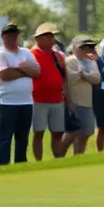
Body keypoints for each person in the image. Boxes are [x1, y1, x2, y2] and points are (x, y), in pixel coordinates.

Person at [0, 21, 37, 166]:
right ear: (3, 37)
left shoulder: (26, 52)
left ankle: (20, 165)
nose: (12, 38)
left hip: (26, 101)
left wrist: (16, 69)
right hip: (7, 102)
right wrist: (25, 71)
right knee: (6, 138)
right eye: (9, 35)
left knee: (23, 138)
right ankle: (3, 166)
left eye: (15, 35)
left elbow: (37, 72)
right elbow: (4, 75)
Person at [30, 22, 68, 162]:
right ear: (38, 39)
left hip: (57, 99)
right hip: (38, 100)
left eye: (52, 36)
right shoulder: (31, 54)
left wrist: (67, 100)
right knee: (38, 132)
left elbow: (64, 78)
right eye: (47, 36)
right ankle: (39, 163)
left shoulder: (58, 56)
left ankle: (58, 160)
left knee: (58, 133)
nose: (51, 39)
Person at [60, 36, 100, 156]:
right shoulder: (69, 61)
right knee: (71, 133)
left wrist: (84, 75)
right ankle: (59, 157)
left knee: (85, 133)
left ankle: (78, 157)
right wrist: (86, 76)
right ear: (75, 48)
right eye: (84, 47)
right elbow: (71, 79)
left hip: (87, 102)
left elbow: (97, 79)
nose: (88, 49)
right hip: (74, 102)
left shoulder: (91, 61)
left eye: (90, 47)